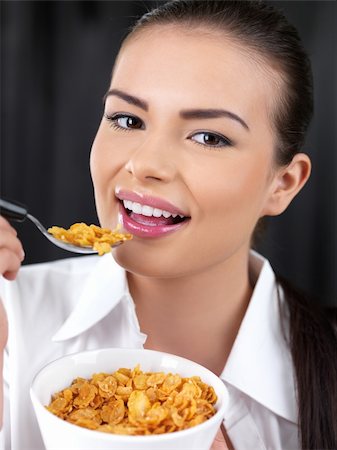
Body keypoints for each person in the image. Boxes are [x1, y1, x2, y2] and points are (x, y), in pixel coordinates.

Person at [0, 1, 336, 449]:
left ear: (283, 184)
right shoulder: (12, 324)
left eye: (209, 137)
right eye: (127, 119)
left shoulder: (325, 367)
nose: (145, 163)